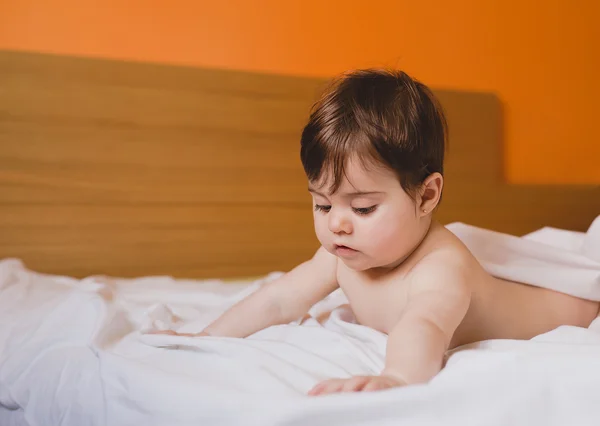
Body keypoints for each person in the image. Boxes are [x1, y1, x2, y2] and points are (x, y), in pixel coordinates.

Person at [154, 69, 600, 395]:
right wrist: (209, 337)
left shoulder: (440, 268)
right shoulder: (341, 252)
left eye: (363, 207)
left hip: (573, 306)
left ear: (426, 198)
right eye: (322, 204)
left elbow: (423, 326)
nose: (337, 223)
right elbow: (279, 297)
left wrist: (399, 378)